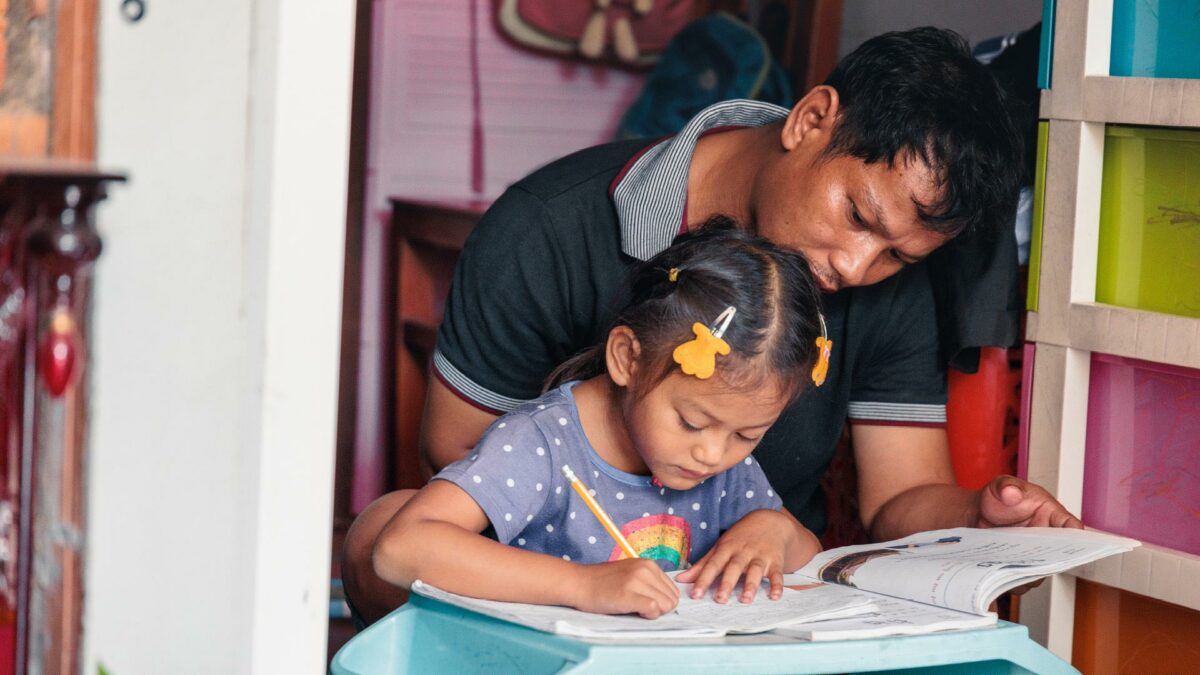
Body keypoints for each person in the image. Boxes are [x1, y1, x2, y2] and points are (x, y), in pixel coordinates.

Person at [344, 27, 1082, 625]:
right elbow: (456, 455)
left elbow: (900, 497)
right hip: (557, 558)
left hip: (729, 592)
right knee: (385, 532)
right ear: (811, 119)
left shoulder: (881, 290)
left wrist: (978, 517)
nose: (857, 267)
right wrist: (593, 562)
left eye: (896, 255)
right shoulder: (548, 229)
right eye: (858, 217)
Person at [371, 224, 825, 618]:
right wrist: (582, 585)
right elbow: (401, 548)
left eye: (748, 435)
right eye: (690, 422)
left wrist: (775, 530)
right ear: (628, 358)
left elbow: (811, 561)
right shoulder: (543, 444)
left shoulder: (724, 465)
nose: (712, 454)